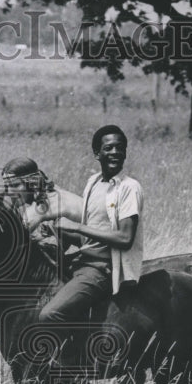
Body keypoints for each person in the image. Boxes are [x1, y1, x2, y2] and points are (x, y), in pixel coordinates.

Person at [38, 124, 144, 325]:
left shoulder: (129, 188)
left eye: (120, 148)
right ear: (97, 153)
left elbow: (125, 238)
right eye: (109, 148)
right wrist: (58, 229)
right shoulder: (93, 183)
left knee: (50, 315)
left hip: (103, 269)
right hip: (83, 260)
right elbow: (89, 240)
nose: (115, 153)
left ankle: (71, 358)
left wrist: (76, 226)